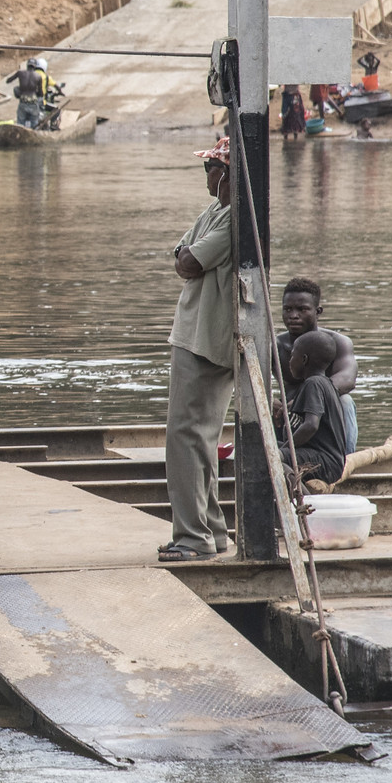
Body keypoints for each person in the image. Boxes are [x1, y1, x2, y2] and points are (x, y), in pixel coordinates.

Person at [161, 139, 236, 563]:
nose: (206, 176)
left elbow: (188, 262)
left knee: (186, 437)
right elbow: (181, 254)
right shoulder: (215, 212)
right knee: (198, 438)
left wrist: (189, 255)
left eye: (209, 168)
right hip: (192, 335)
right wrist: (189, 255)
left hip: (206, 340)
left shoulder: (230, 220)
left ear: (223, 172)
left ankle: (193, 537)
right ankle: (212, 530)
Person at [277, 277, 359, 457]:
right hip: (291, 419)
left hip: (326, 420)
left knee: (346, 401)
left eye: (302, 309)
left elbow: (348, 379)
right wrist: (271, 401)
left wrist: (307, 398)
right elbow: (253, 380)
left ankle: (344, 458)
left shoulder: (339, 342)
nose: (294, 315)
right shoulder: (275, 346)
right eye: (288, 309)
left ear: (317, 311)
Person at [278, 331, 349, 486]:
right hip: (323, 458)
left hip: (324, 462)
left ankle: (304, 499)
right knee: (268, 447)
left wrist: (285, 449)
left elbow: (311, 425)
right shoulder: (325, 383)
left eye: (292, 356)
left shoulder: (313, 383)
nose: (289, 361)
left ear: (304, 359)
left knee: (273, 457)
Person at [7, 57, 49, 129]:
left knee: (20, 125)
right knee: (35, 125)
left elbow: (8, 80)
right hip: (33, 104)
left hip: (23, 103)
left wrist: (20, 88)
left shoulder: (20, 73)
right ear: (35, 66)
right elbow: (41, 93)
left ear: (27, 65)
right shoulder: (38, 76)